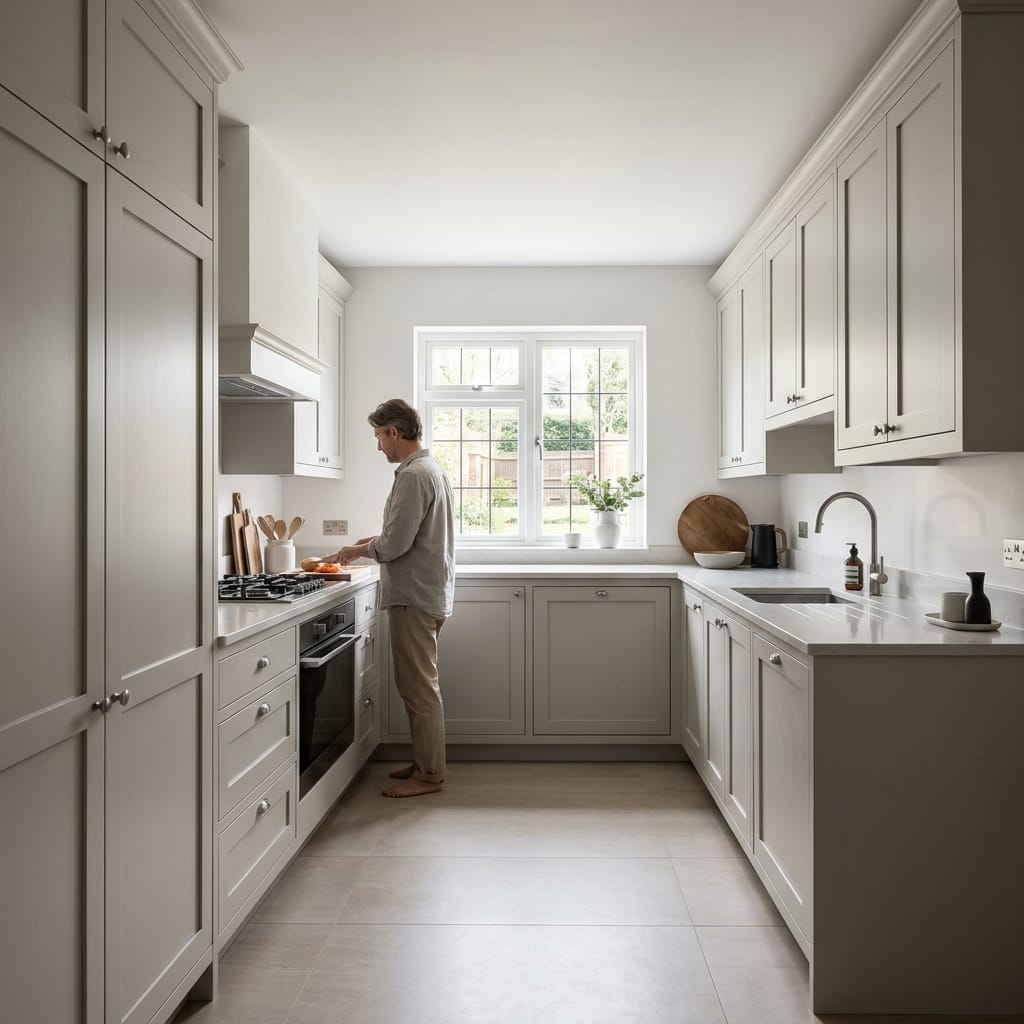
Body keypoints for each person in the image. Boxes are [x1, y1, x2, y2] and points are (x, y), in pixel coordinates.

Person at [329, 398, 455, 797]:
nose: (378, 446)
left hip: (413, 596)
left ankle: (430, 776)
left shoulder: (413, 476)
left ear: (394, 432)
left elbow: (397, 543)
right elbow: (408, 532)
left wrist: (358, 551)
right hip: (426, 591)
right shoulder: (429, 469)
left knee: (418, 688)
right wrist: (370, 541)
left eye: (379, 437)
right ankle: (424, 764)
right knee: (419, 684)